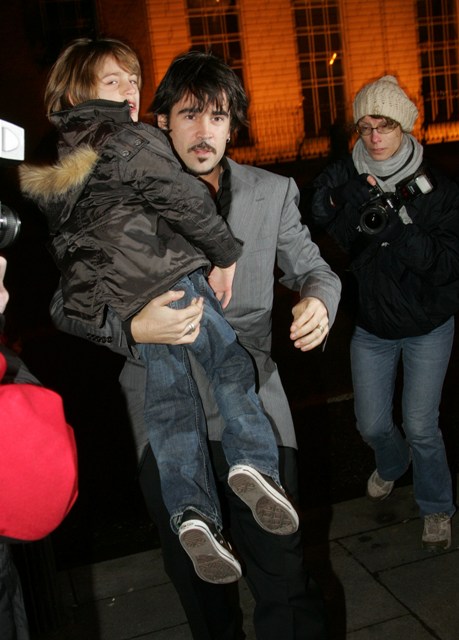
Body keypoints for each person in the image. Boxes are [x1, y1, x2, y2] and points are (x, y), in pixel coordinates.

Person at [49, 50, 341, 639]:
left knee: (284, 575)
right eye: (189, 114)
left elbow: (317, 270)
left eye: (218, 116)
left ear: (233, 126)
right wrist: (132, 328)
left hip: (252, 398)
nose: (204, 130)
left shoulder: (271, 192)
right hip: (160, 405)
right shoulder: (115, 187)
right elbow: (64, 306)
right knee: (200, 586)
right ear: (161, 121)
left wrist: (318, 301)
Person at [310, 75, 459, 551]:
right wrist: (336, 198)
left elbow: (448, 265)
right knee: (371, 425)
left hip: (428, 324)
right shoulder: (350, 174)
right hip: (373, 325)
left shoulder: (438, 188)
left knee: (421, 425)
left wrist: (399, 231)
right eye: (366, 127)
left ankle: (436, 508)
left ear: (405, 127)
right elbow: (318, 216)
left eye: (386, 126)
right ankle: (393, 463)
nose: (374, 137)